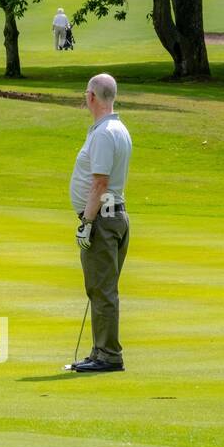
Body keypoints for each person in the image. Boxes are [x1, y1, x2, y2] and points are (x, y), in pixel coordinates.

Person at [69, 73, 132, 373]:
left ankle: (108, 355)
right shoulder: (115, 128)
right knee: (101, 288)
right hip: (112, 217)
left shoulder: (106, 133)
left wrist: (87, 222)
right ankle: (100, 350)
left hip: (104, 219)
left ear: (91, 96)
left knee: (102, 290)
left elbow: (100, 184)